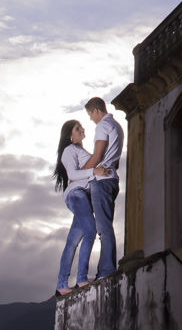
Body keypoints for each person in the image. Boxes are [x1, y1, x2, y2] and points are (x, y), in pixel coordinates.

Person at [53, 120, 110, 296]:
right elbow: (72, 174)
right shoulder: (69, 150)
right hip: (77, 194)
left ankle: (61, 285)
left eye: (81, 127)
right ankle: (81, 279)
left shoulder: (81, 151)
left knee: (72, 241)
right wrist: (94, 171)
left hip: (83, 196)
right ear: (70, 135)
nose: (81, 129)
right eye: (77, 129)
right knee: (90, 231)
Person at [80, 97, 124, 280]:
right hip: (111, 180)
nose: (91, 119)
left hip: (102, 182)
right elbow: (115, 161)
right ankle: (105, 270)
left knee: (104, 228)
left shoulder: (102, 126)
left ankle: (106, 271)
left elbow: (97, 157)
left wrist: (78, 174)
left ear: (96, 110)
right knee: (105, 226)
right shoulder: (117, 126)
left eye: (90, 114)